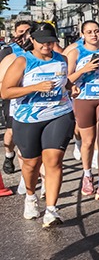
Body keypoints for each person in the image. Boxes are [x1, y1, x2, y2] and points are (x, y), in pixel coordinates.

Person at [1, 24, 77, 227]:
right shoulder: (23, 61)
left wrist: (71, 87)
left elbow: (64, 82)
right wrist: (34, 87)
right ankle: (30, 196)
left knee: (54, 160)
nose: (46, 44)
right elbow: (6, 92)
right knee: (31, 163)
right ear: (32, 40)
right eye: (42, 40)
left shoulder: (62, 59)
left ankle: (52, 210)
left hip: (59, 113)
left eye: (50, 40)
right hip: (28, 118)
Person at [64, 21, 99, 201]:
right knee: (88, 141)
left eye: (97, 31)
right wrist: (84, 70)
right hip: (84, 98)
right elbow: (67, 80)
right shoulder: (75, 52)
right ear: (82, 35)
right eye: (89, 32)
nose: (94, 35)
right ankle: (87, 175)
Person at [2, 19, 34, 178]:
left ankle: (28, 176)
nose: (24, 36)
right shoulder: (8, 51)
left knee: (27, 139)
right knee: (12, 132)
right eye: (21, 32)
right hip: (12, 97)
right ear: (15, 33)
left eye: (27, 32)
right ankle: (8, 154)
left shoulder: (39, 48)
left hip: (34, 99)